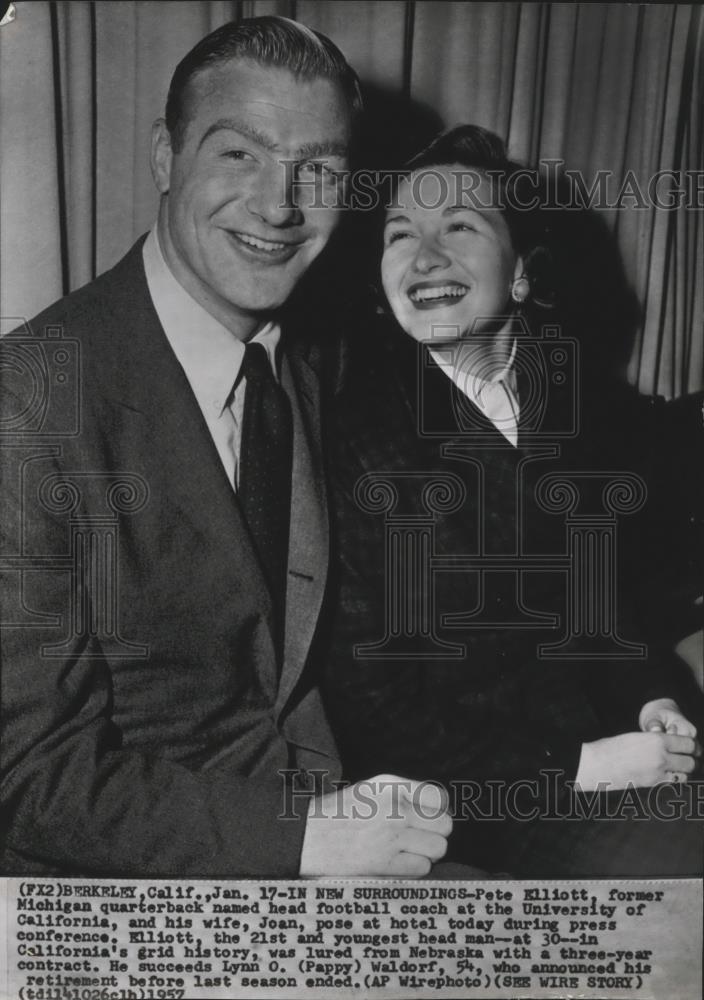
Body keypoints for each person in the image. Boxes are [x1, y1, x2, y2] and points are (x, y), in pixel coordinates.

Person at [0, 16, 452, 878]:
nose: (281, 205)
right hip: (120, 890)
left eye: (317, 168)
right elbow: (28, 778)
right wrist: (309, 838)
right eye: (239, 154)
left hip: (332, 828)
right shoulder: (25, 406)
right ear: (167, 157)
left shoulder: (313, 356)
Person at [323, 124, 704, 876]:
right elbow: (375, 710)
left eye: (459, 226)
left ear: (523, 275)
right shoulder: (356, 440)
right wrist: (581, 768)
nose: (425, 256)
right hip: (468, 803)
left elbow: (605, 618)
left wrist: (654, 702)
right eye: (400, 234)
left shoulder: (571, 407)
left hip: (604, 757)